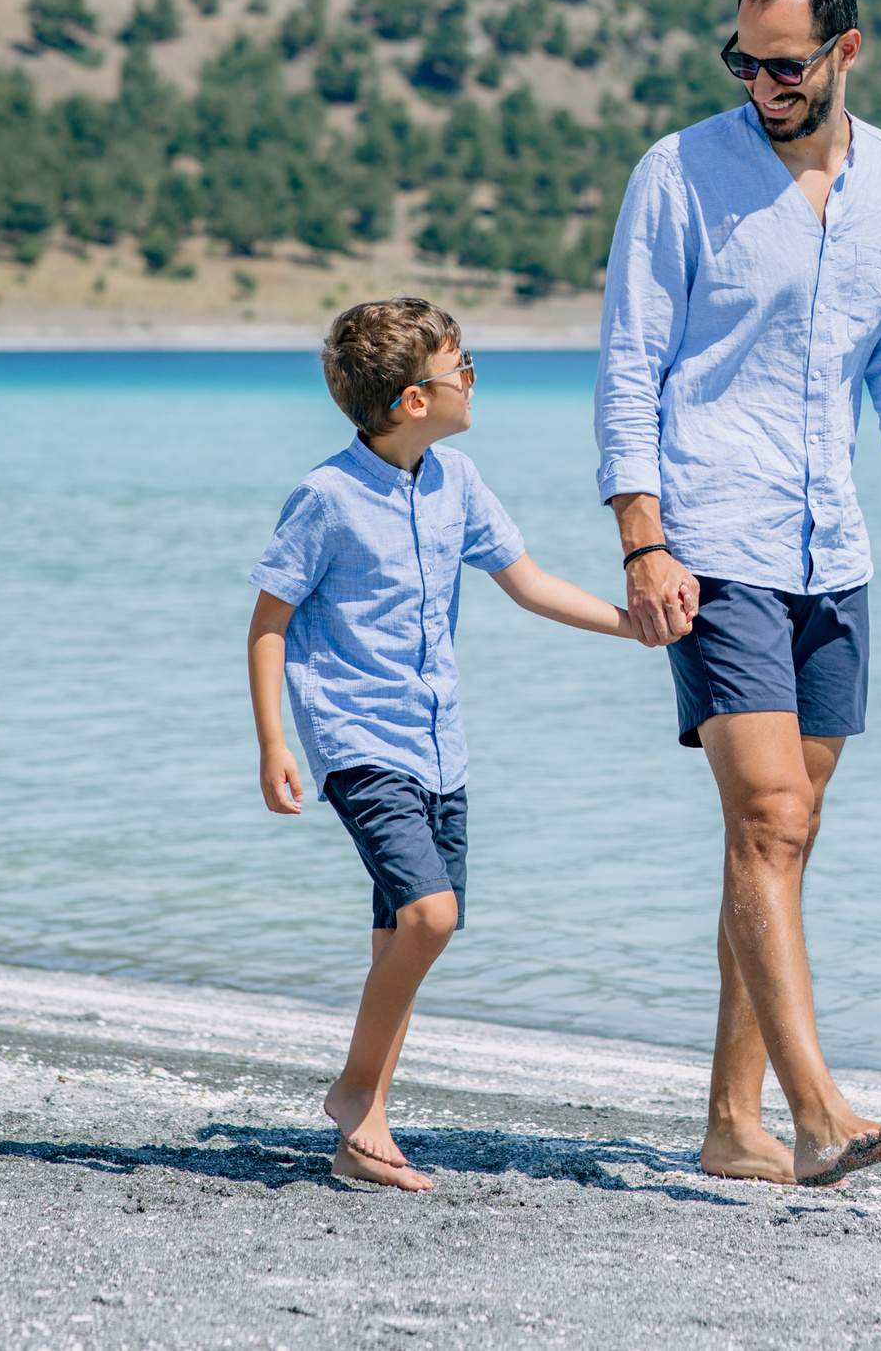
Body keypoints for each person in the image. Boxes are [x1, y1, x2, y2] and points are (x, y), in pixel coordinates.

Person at [595, 0, 881, 1188]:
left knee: (782, 838)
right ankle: (818, 1115)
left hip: (834, 551)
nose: (764, 83)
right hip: (712, 538)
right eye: (745, 62)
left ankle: (730, 1123)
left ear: (844, 52)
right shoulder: (678, 174)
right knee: (768, 817)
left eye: (786, 64)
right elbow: (628, 366)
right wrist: (644, 540)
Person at [247, 297, 643, 1192]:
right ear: (413, 401)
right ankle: (354, 1089)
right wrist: (275, 742)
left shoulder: (457, 480)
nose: (472, 377)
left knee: (401, 933)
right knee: (431, 916)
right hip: (356, 740)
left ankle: (362, 1135)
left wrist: (636, 626)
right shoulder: (326, 497)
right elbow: (269, 623)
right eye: (462, 365)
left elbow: (528, 583)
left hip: (438, 748)